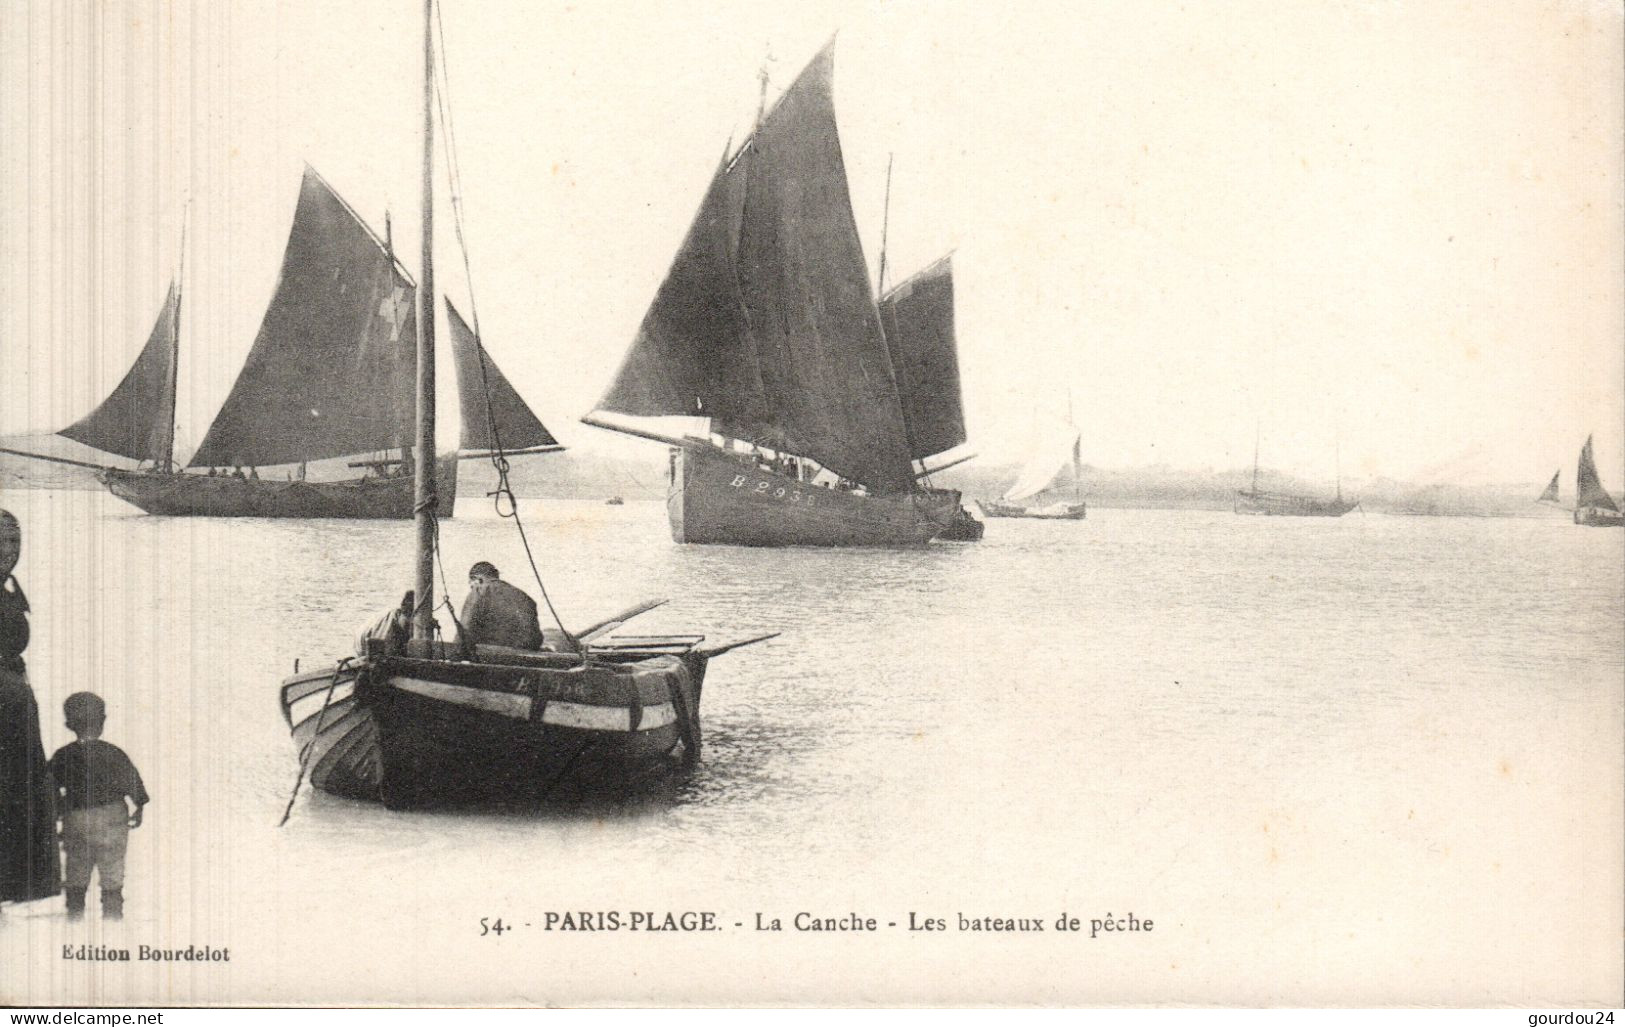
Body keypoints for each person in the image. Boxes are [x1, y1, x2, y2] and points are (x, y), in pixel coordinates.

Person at [0, 510, 61, 913]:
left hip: (14, 710)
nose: (9, 551)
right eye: (3, 542)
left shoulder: (8, 590)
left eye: (15, 542)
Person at [48, 692, 148, 921]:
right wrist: (139, 806)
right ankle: (113, 917)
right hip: (113, 816)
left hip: (77, 817)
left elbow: (49, 788)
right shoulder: (114, 752)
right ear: (103, 720)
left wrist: (58, 812)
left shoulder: (63, 755)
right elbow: (133, 781)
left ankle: (75, 918)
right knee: (113, 869)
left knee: (76, 868)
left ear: (68, 724)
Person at [455, 561, 544, 652]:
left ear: (478, 580)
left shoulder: (480, 591)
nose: (472, 588)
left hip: (491, 656)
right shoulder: (524, 596)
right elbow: (536, 637)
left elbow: (465, 630)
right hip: (525, 657)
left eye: (471, 585)